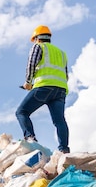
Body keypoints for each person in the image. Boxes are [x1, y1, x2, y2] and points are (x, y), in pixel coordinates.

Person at [15, 25, 70, 153]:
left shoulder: (38, 47)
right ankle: (64, 150)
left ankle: (31, 140)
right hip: (61, 90)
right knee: (59, 121)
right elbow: (66, 74)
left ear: (36, 38)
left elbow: (31, 64)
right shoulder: (62, 53)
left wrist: (28, 82)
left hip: (44, 86)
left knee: (21, 112)